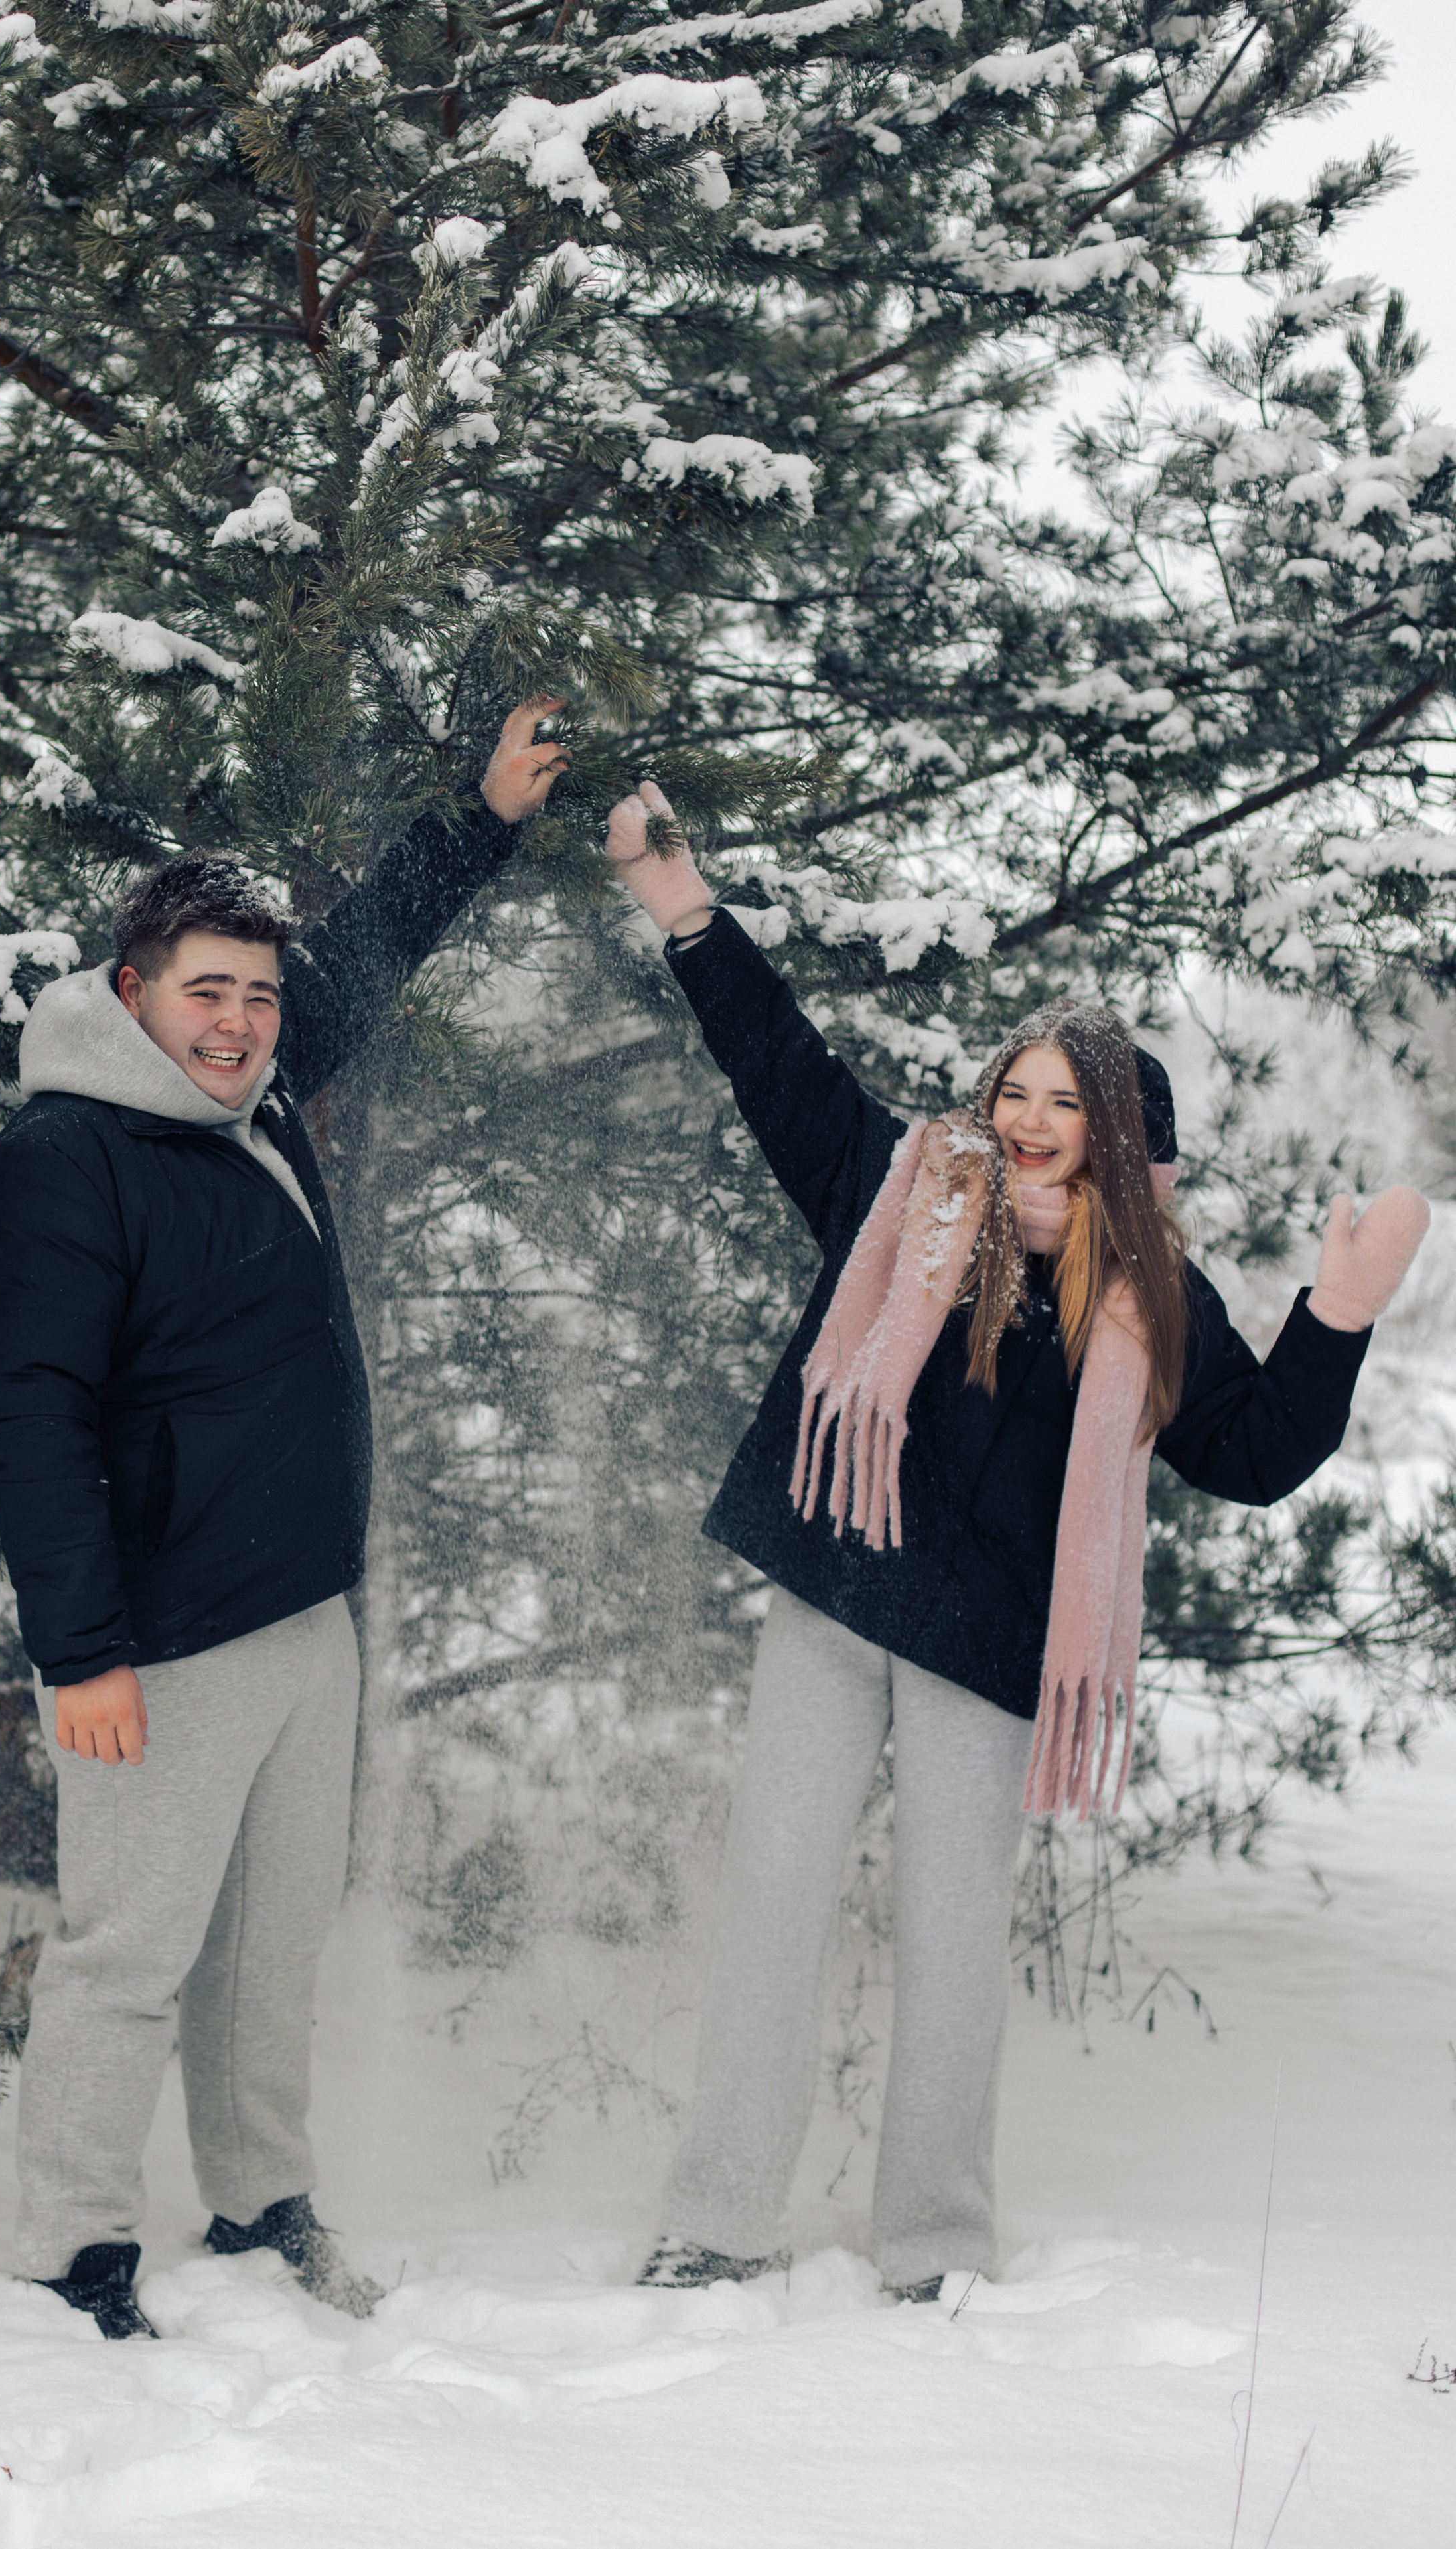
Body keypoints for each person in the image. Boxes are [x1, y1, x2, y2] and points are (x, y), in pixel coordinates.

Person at [601, 782, 1429, 2302]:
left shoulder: (1153, 1306)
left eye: (1066, 1103)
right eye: (1018, 1091)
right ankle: (713, 2225)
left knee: (950, 1947)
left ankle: (928, 2247)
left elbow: (1250, 1457)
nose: (1031, 1123)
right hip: (836, 1589)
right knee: (774, 1904)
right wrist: (683, 911)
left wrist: (1335, 1317)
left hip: (986, 1645)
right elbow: (777, 1069)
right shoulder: (908, 1196)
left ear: (1122, 1142)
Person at [0, 703, 567, 2339]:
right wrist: (80, 1651)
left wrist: (481, 819)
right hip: (158, 1635)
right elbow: (31, 1418)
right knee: (129, 1954)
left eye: (253, 994)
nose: (236, 1022)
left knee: (269, 1951)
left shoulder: (249, 1105)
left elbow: (359, 963)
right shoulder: (62, 1157)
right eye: (202, 991)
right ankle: (72, 2250)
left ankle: (256, 2201)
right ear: (128, 994)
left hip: (304, 1611)